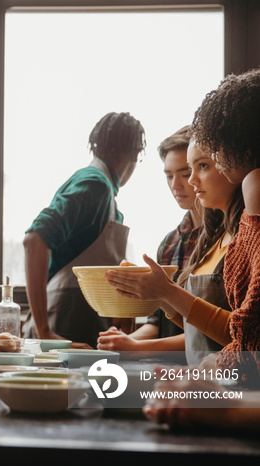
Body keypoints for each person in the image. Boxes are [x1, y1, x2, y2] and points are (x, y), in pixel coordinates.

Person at [104, 138, 243, 367]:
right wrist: (158, 294)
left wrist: (166, 292)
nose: (187, 181)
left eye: (202, 166)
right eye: (169, 175)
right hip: (200, 381)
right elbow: (192, 328)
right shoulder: (204, 241)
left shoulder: (246, 239)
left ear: (231, 166)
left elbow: (244, 335)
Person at [22, 112, 146, 349]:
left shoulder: (107, 194)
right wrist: (45, 332)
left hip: (81, 322)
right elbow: (34, 240)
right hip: (65, 323)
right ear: (131, 154)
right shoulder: (94, 184)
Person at [98, 126, 202, 355]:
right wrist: (120, 343)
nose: (175, 185)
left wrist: (137, 347)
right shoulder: (169, 243)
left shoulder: (225, 240)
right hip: (164, 366)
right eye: (168, 175)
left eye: (185, 174)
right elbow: (157, 323)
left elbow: (210, 334)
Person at [190, 67, 260, 385]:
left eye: (216, 148)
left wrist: (222, 363)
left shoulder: (255, 184)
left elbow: (253, 317)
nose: (216, 158)